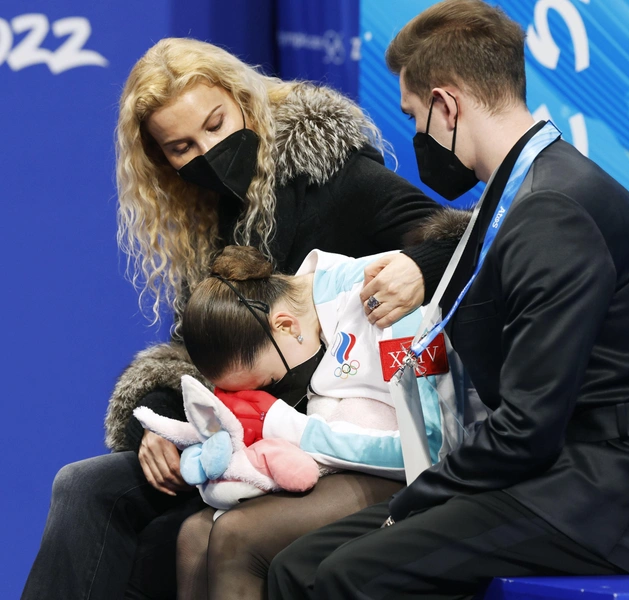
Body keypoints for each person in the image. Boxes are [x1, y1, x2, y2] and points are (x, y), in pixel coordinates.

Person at [21, 37, 467, 600]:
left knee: (182, 537)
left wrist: (415, 267)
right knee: (83, 486)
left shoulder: (330, 173)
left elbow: (457, 238)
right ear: (162, 162)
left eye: (215, 124)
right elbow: (196, 352)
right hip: (237, 436)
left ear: (244, 100)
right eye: (182, 146)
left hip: (335, 437)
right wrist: (151, 428)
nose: (207, 150)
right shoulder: (203, 222)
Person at [268, 1, 629, 598]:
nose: (417, 135)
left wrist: (417, 498)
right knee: (297, 564)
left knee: (347, 574)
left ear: (447, 105)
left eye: (415, 116)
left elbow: (527, 427)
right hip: (549, 467)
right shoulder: (521, 192)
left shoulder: (554, 211)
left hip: (602, 487)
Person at [169, 244, 483, 599]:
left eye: (271, 381)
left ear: (285, 326)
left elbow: (429, 447)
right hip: (341, 469)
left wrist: (291, 428)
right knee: (194, 535)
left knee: (235, 534)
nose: (277, 390)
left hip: (439, 474)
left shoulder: (389, 300)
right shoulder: (305, 309)